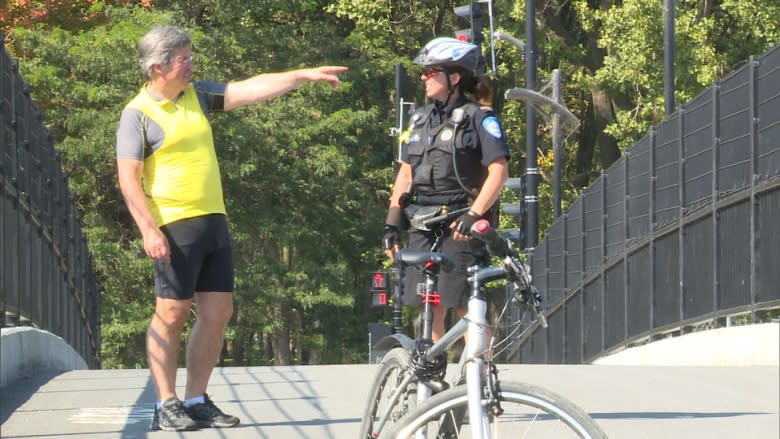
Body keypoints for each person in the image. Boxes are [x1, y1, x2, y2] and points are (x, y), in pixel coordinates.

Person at [115, 25, 347, 432]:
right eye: (183, 59)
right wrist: (148, 230)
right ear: (158, 66)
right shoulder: (137, 114)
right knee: (170, 313)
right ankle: (166, 402)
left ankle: (196, 398)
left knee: (219, 312)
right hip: (172, 223)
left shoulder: (197, 95)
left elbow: (249, 88)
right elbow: (128, 179)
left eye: (190, 56)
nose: (190, 65)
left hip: (213, 221)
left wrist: (300, 75)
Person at [383, 37, 510, 343]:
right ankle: (432, 378)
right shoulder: (418, 120)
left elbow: (499, 170)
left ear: (454, 78)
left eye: (431, 72)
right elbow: (405, 174)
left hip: (459, 225)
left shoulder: (480, 118)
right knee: (430, 303)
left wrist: (475, 213)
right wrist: (390, 223)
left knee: (466, 305)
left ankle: (478, 378)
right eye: (423, 72)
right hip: (422, 225)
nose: (423, 78)